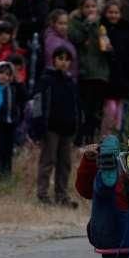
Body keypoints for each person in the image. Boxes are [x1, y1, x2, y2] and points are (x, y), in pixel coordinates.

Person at [34, 46, 81, 206]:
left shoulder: (71, 82)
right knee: (48, 161)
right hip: (51, 127)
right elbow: (38, 102)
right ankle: (42, 194)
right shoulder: (46, 80)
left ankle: (62, 196)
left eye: (67, 59)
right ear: (54, 60)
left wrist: (77, 124)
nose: (63, 62)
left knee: (65, 164)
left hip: (67, 128)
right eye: (60, 58)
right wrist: (38, 124)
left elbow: (76, 105)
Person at [68, 0, 110, 145]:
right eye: (87, 7)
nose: (90, 10)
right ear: (81, 8)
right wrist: (87, 24)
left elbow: (105, 44)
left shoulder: (101, 24)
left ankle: (92, 140)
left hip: (100, 72)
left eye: (93, 6)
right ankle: (80, 140)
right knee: (83, 110)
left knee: (96, 111)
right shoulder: (75, 22)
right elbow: (76, 38)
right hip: (84, 73)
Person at [100, 0, 129, 136]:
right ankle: (105, 136)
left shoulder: (126, 31)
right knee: (110, 108)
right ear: (105, 13)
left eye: (116, 12)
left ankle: (115, 137)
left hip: (123, 76)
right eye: (110, 12)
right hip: (108, 77)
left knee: (119, 110)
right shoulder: (102, 29)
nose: (113, 15)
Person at [0, 54, 27, 176]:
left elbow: (24, 97)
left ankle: (7, 172)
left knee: (8, 148)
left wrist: (19, 82)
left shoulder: (15, 87)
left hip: (11, 121)